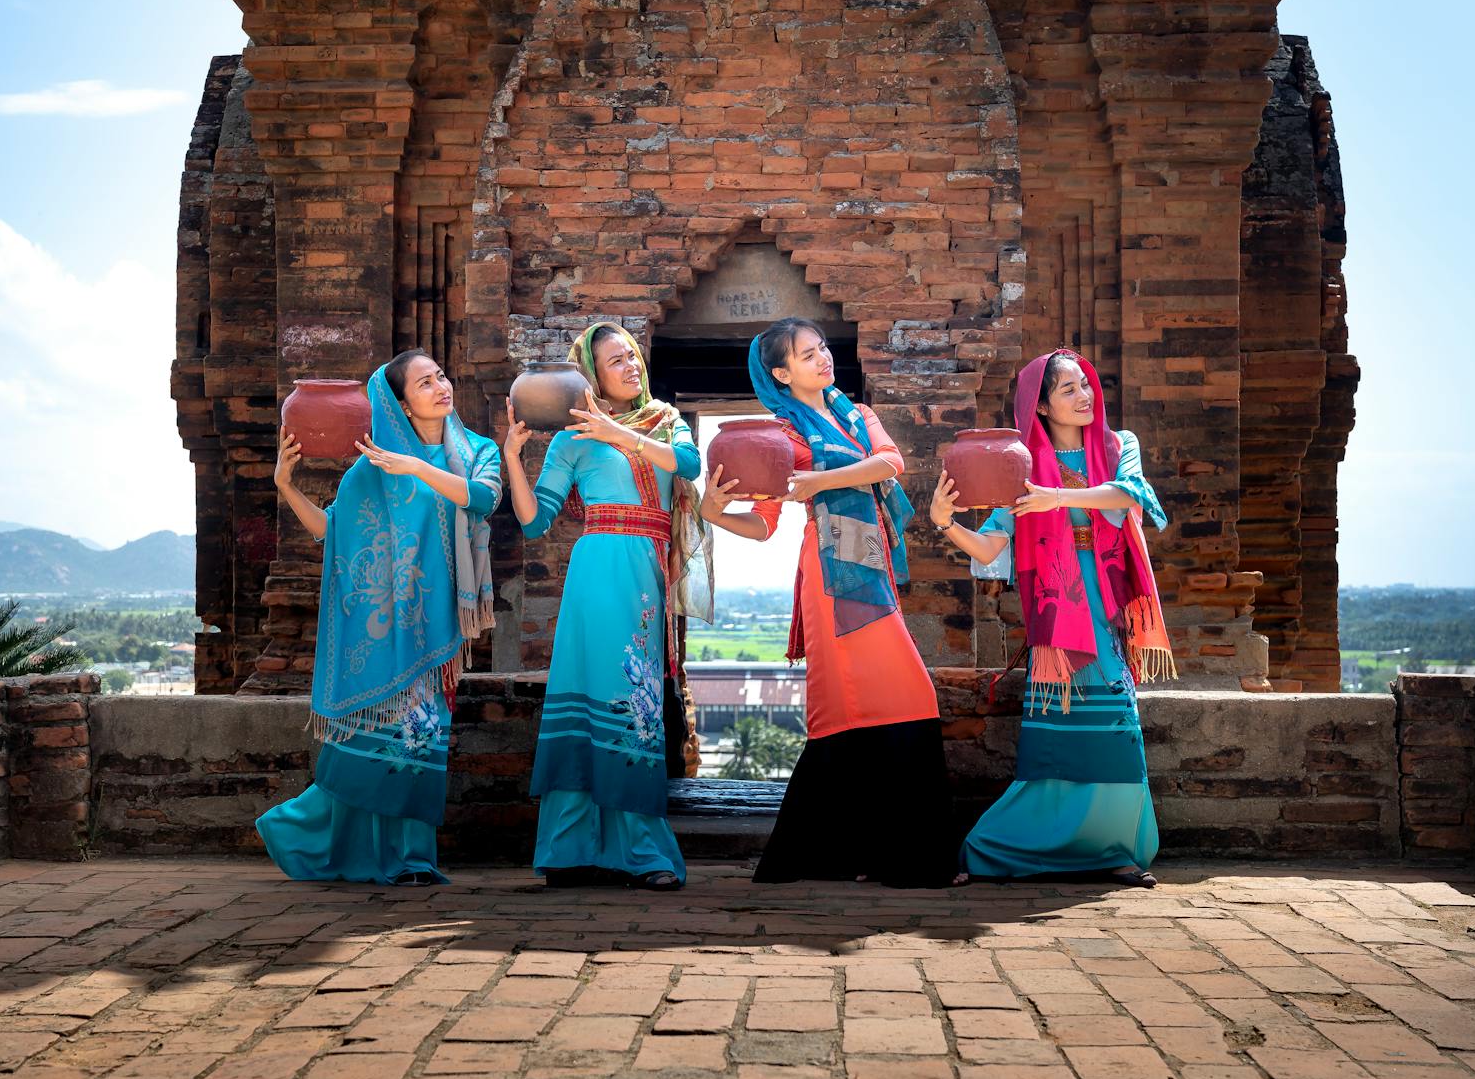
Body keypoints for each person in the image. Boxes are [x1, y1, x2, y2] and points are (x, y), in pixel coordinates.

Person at [702, 317, 959, 887]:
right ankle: (899, 857)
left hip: (869, 560)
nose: (823, 359)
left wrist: (817, 482)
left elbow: (890, 463)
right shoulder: (781, 438)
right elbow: (765, 523)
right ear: (780, 373)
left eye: (822, 349)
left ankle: (868, 853)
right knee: (860, 702)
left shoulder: (858, 415)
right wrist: (714, 514)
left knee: (877, 700)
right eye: (807, 354)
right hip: (828, 570)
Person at [930, 348, 1175, 889]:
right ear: (1040, 406)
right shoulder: (1021, 468)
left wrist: (1055, 499)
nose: (1085, 395)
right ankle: (998, 849)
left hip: (1107, 611)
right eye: (1069, 389)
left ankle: (1115, 850)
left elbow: (1128, 495)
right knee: (1057, 744)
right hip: (1058, 625)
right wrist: (945, 522)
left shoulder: (1117, 446)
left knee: (1118, 731)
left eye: (1086, 384)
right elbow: (990, 546)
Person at [256, 350, 500, 887]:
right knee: (375, 743)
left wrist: (417, 467)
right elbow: (333, 532)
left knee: (423, 735)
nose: (440, 386)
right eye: (424, 383)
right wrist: (286, 485)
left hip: (436, 621)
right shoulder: (373, 467)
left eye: (440, 376)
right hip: (380, 624)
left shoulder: (477, 450)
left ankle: (412, 858)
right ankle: (312, 835)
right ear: (401, 403)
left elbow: (483, 499)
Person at [503, 321, 712, 890]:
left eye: (632, 356)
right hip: (595, 572)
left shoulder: (665, 420)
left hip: (643, 573)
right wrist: (513, 459)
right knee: (588, 697)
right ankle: (569, 851)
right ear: (591, 374)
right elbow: (534, 522)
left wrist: (618, 434)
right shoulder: (572, 440)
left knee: (634, 705)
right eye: (616, 360)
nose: (631, 366)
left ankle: (642, 852)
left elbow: (688, 465)